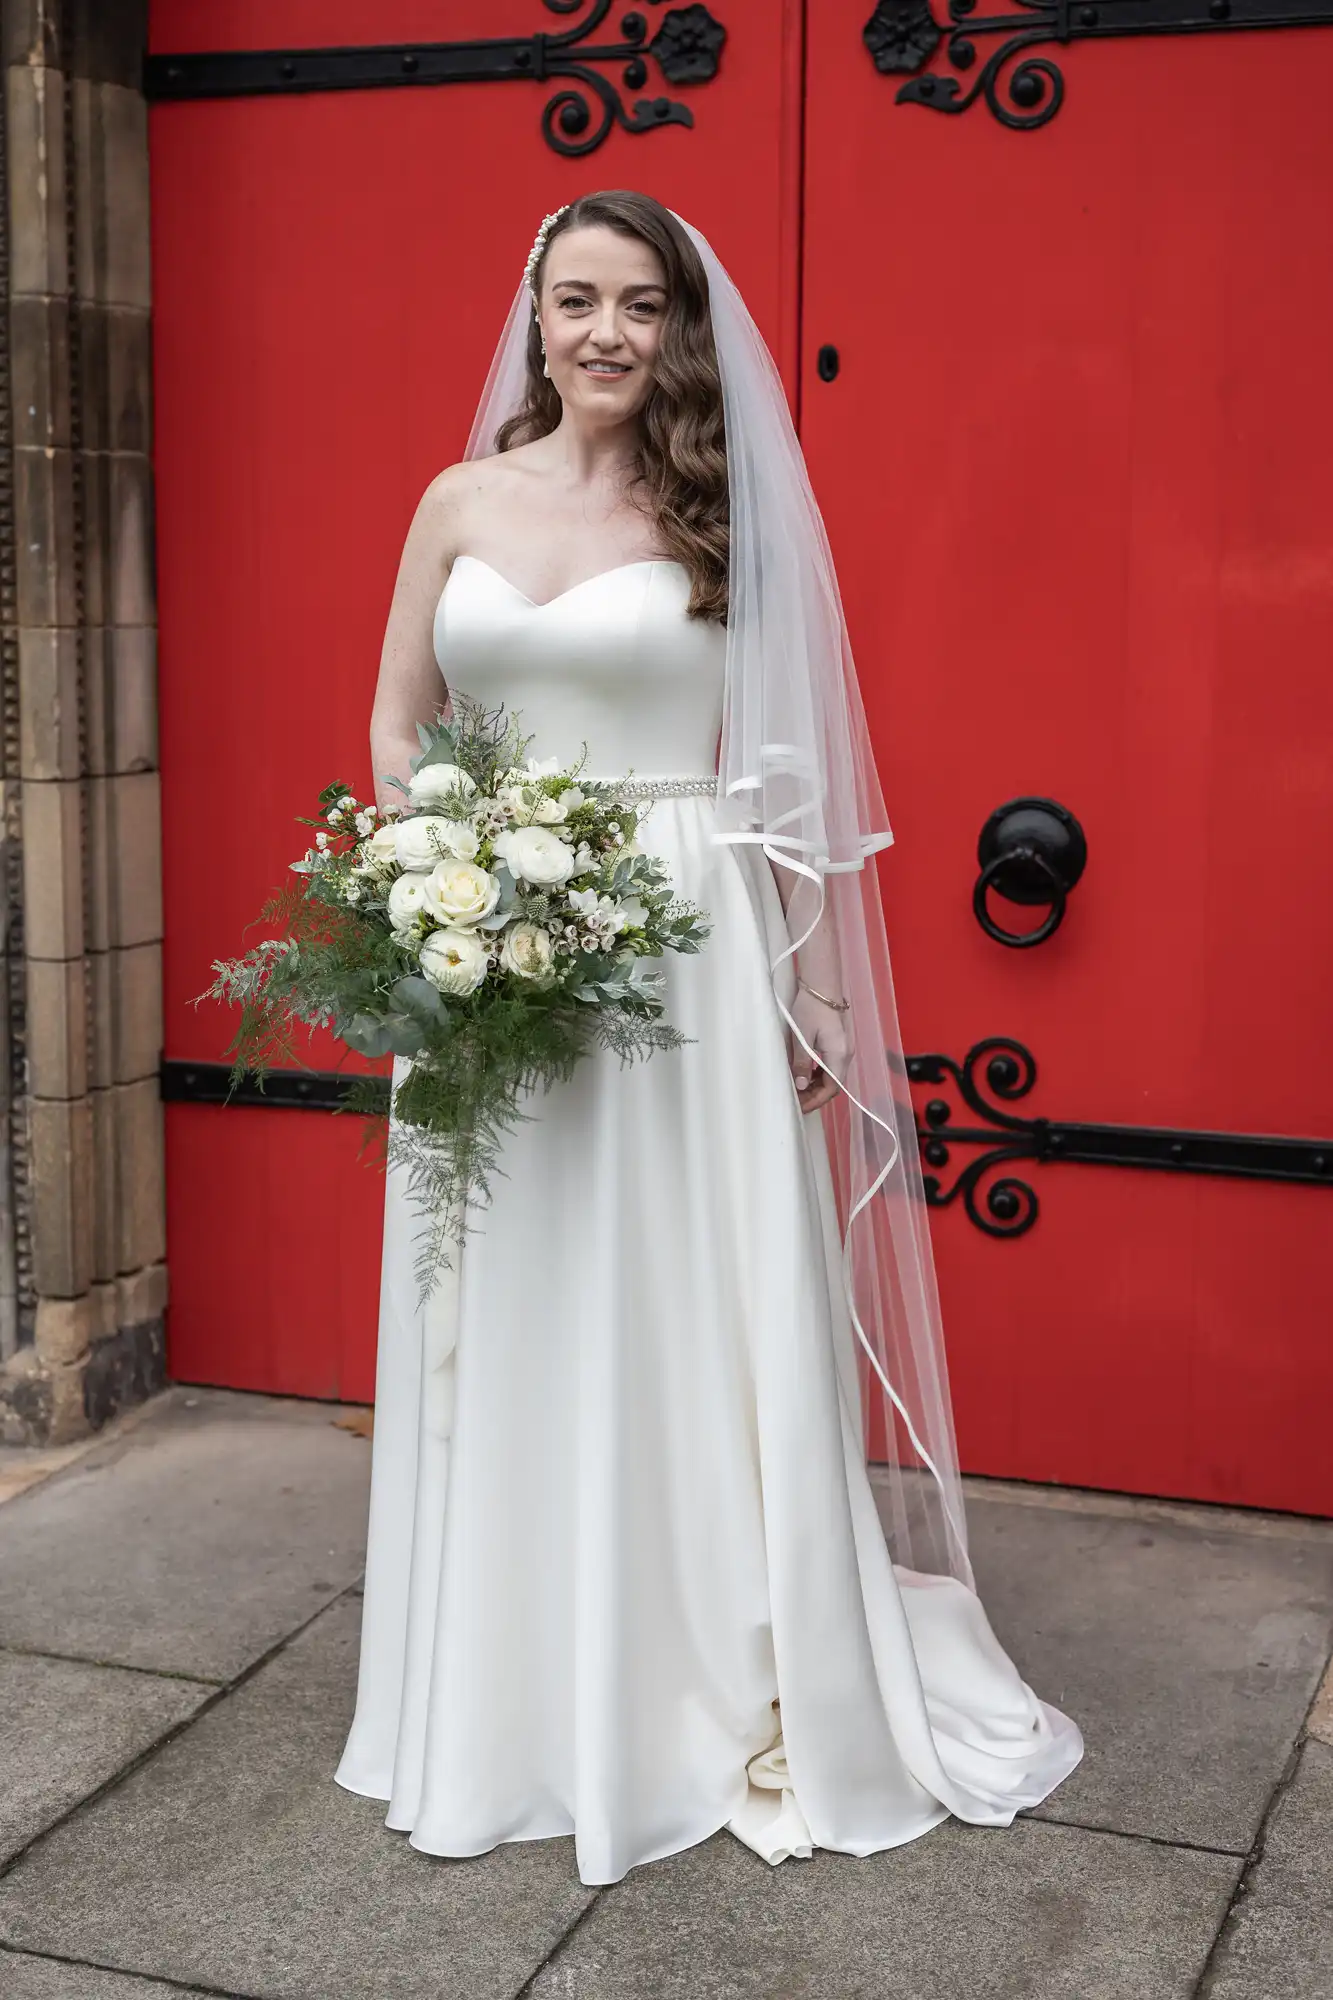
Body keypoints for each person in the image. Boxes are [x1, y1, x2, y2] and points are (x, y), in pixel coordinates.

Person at [334, 190, 1082, 1886]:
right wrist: (427, 874)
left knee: (685, 1301)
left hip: (679, 951)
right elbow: (399, 717)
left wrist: (809, 980)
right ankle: (511, 1692)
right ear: (532, 315)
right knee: (508, 1298)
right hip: (484, 952)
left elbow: (784, 765)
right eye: (576, 299)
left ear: (678, 329)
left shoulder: (716, 516)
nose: (605, 331)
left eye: (640, 304)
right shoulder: (455, 501)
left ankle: (693, 1672)